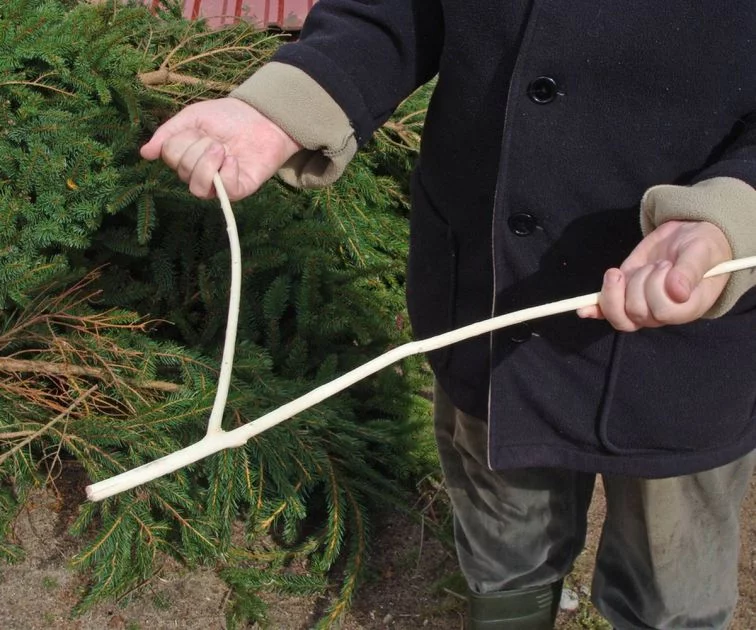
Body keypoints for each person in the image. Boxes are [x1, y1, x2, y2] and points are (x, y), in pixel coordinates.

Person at [141, 2, 756, 628]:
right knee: (505, 545)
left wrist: (734, 219)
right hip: (490, 297)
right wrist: (282, 105)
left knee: (671, 584)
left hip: (692, 334)